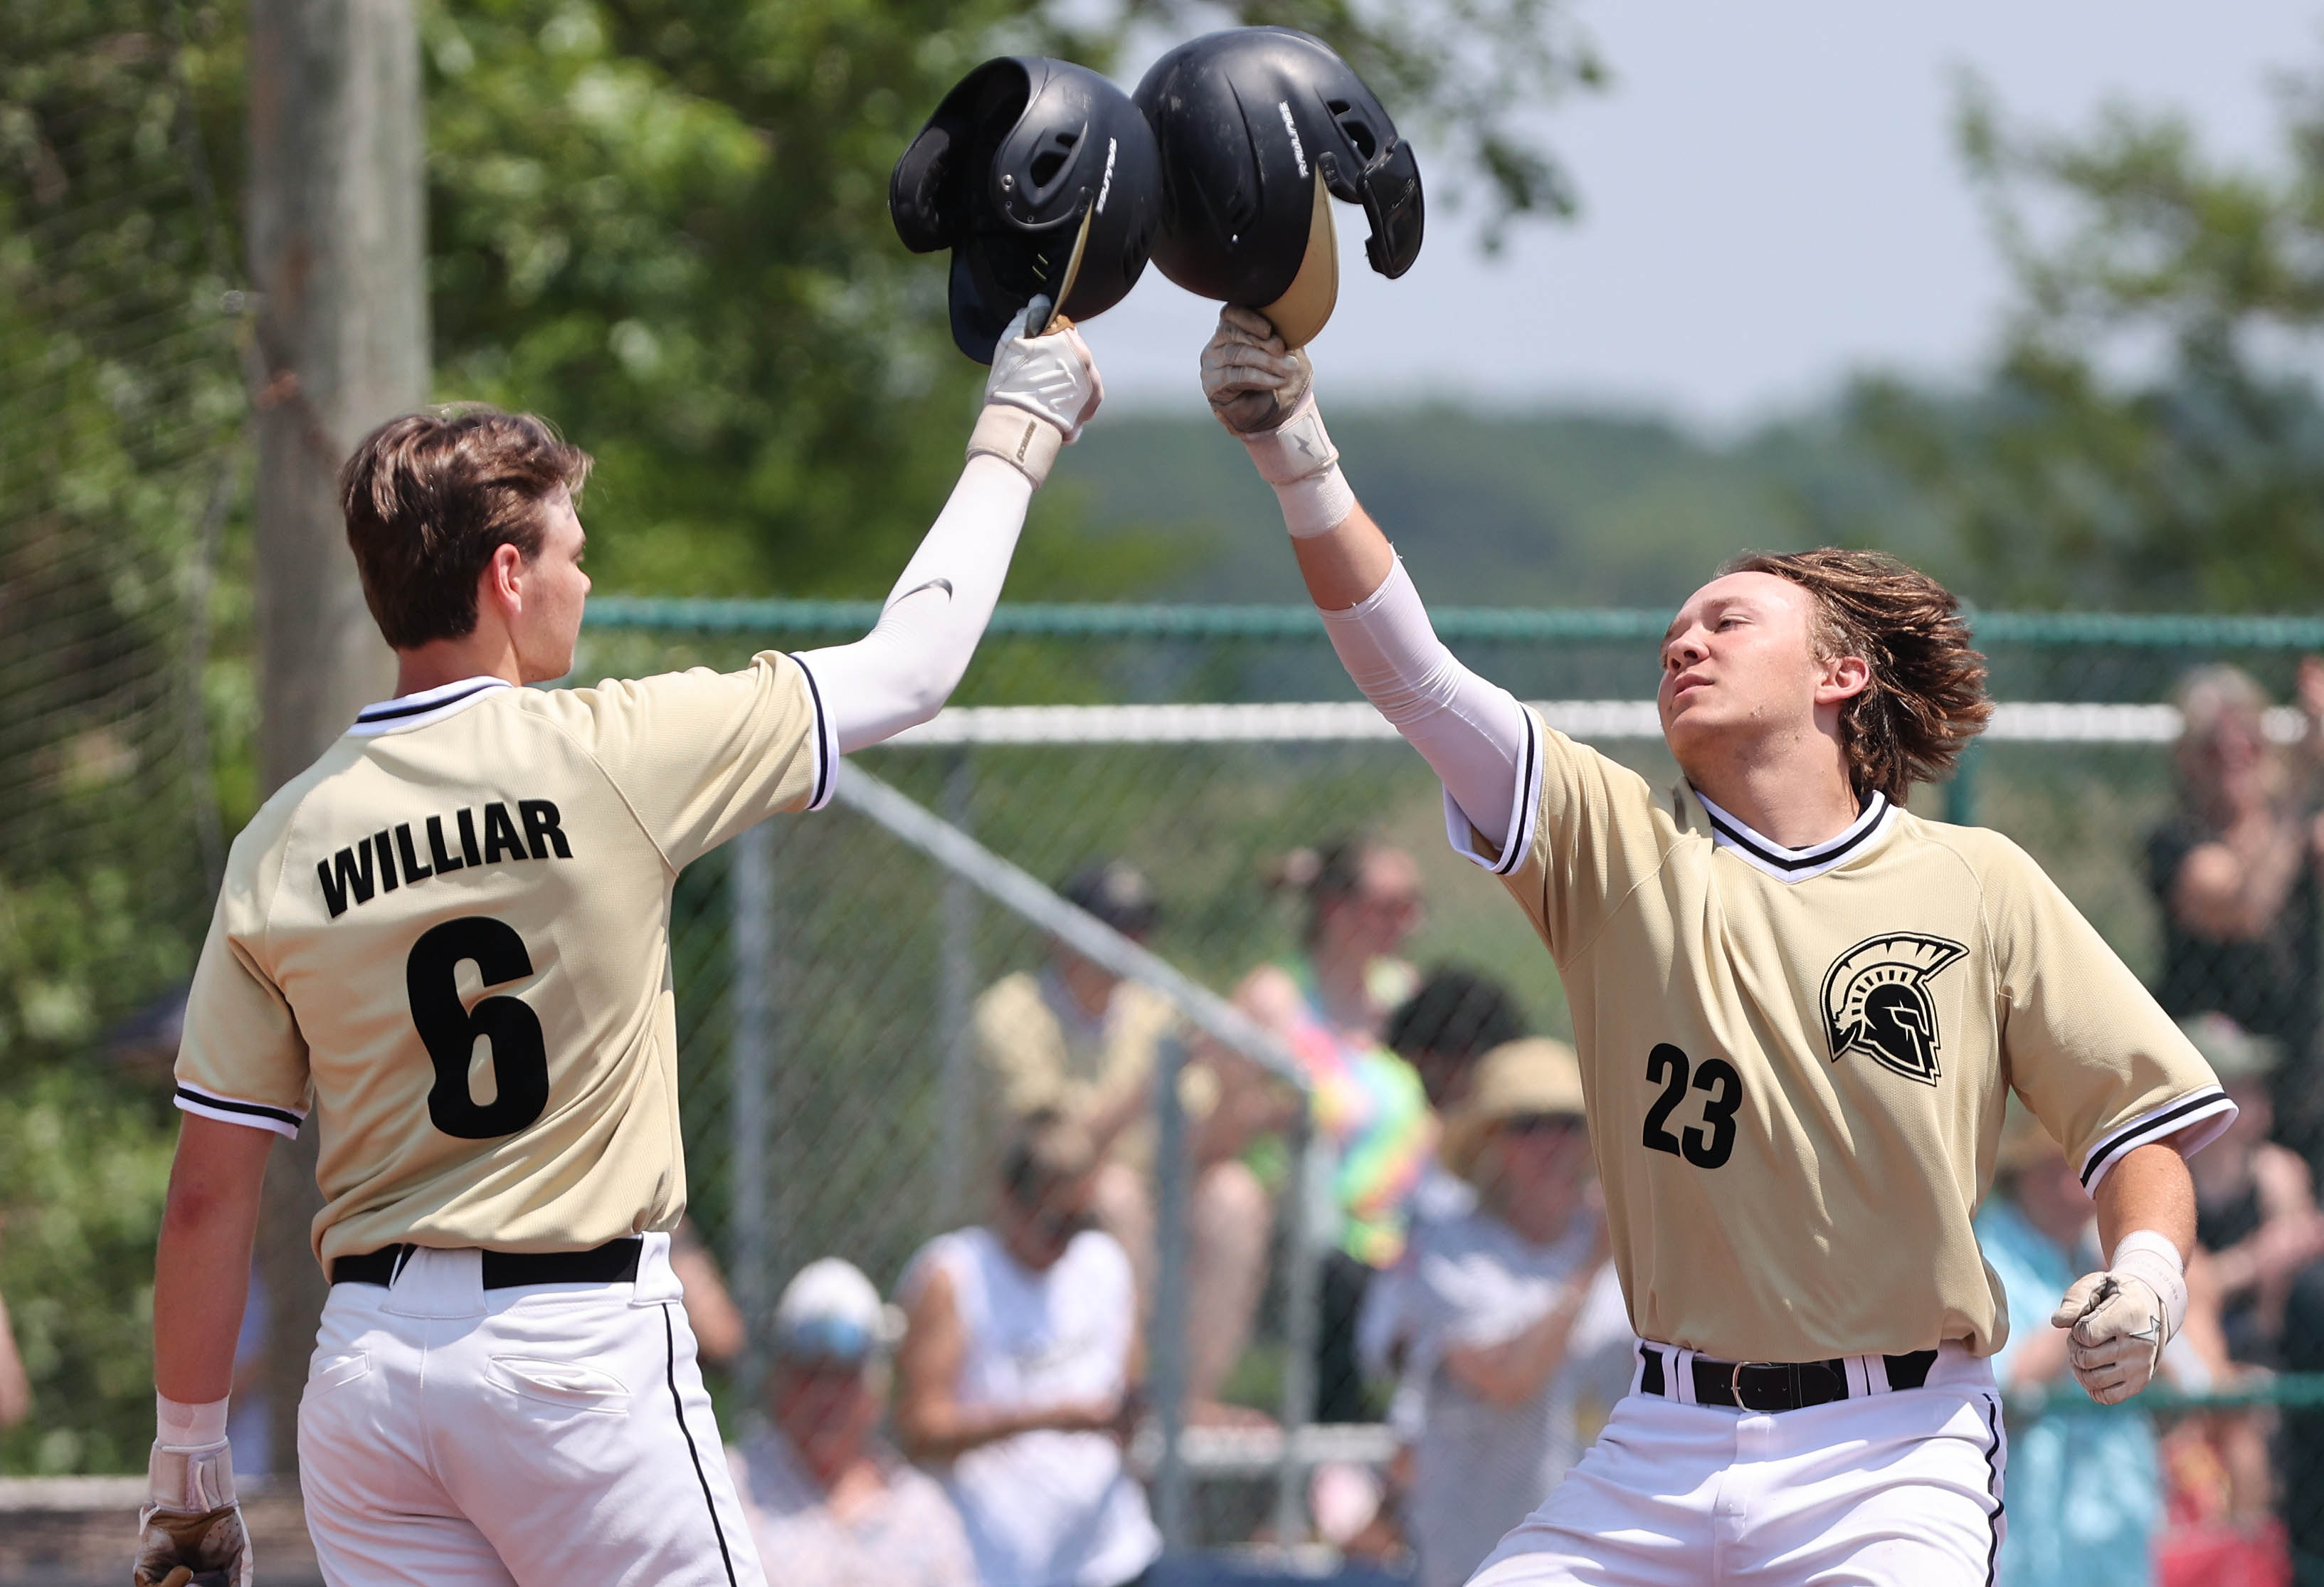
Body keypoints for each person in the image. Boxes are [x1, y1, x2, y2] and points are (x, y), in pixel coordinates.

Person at [1198, 305, 2234, 1584]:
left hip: (1894, 1448)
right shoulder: (1614, 851)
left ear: (1839, 673)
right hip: (1661, 1438)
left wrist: (2145, 1274)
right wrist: (1297, 452)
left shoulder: (1974, 881)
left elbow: (2140, 1128)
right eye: (1673, 631)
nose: (1683, 639)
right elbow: (1413, 673)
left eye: (1728, 620)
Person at [134, 302, 1103, 1586]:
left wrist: (190, 1470)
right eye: (569, 550)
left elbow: (209, 1191)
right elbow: (914, 666)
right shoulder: (610, 752)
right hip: (574, 1359)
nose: (584, 578)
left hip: (369, 1379)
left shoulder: (283, 842)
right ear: (506, 575)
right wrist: (1019, 425)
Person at [973, 860, 1271, 1424]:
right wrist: (1148, 1088)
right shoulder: (1012, 1011)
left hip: (1152, 1195)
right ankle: (1129, 1395)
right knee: (1112, 1193)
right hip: (1039, 1209)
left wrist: (1238, 1083)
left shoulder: (1153, 1008)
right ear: (1060, 931)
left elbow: (1205, 1144)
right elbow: (1052, 1154)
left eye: (1139, 928)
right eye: (1111, 926)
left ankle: (1190, 1402)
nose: (1128, 944)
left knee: (1234, 1195)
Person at [1363, 1037, 1631, 1587]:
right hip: (1488, 1562)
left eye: (1569, 1123)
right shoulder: (1448, 1248)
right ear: (1489, 1142)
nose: (1553, 1143)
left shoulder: (1627, 1244)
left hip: (1612, 1557)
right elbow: (1507, 1377)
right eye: (1529, 1124)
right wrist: (1592, 1268)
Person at [894, 1114, 1161, 1587]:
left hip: (1111, 1559)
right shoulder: (956, 1275)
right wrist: (1047, 1419)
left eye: (1081, 1220)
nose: (1067, 1241)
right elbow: (920, 1431)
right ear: (1007, 1200)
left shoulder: (1103, 1264)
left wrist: (1129, 1416)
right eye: (1055, 1222)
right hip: (993, 1570)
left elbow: (1126, 1392)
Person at [1233, 836, 1434, 1422]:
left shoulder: (1409, 998)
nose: (1410, 922)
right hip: (1309, 1238)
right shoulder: (1278, 1000)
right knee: (1342, 1280)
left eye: (1414, 905)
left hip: (1405, 1234)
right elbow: (1228, 1124)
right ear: (1337, 910)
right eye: (1392, 906)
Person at [1977, 1110, 2170, 1587]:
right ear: (2029, 1169)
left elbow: (2187, 1401)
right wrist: (2093, 1310)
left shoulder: (2106, 1255)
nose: (2097, 1175)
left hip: (2117, 1549)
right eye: (2075, 1160)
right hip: (2022, 1553)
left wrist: (2149, 1316)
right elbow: (2000, 1394)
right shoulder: (1982, 1256)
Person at [2150, 661, 2324, 1165]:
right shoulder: (2176, 840)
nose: (2236, 759)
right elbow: (2244, 907)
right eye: (2215, 749)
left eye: (2249, 743)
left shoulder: (2301, 828)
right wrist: (2300, 785)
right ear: (2187, 759)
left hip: (2300, 1069)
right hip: (2213, 1077)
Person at [727, 1258, 977, 1587]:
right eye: (810, 1371)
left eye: (844, 1374)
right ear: (780, 1377)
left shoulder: (920, 1511)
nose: (825, 1395)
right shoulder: (729, 1490)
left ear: (877, 1385)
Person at [2179, 1013, 2324, 1365]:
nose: (2261, 1097)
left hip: (2265, 1350)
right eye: (2241, 1085)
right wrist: (2252, 1260)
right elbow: (2180, 1291)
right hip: (2189, 1345)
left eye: (2256, 1084)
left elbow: (2274, 1310)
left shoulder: (2278, 1173)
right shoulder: (2170, 1178)